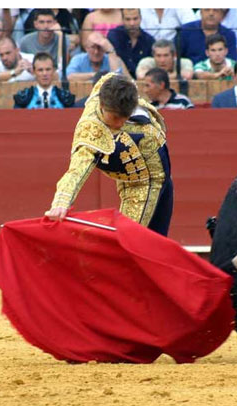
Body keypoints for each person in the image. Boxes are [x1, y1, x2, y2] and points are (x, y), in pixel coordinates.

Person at [45, 72, 173, 237]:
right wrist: (61, 202)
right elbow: (77, 169)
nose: (119, 124)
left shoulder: (112, 85)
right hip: (139, 185)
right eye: (114, 117)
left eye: (124, 117)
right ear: (103, 106)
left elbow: (114, 76)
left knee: (157, 243)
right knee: (128, 243)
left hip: (163, 178)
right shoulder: (93, 130)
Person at [107, 9, 155, 79]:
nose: (132, 23)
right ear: (122, 20)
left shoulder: (149, 41)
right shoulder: (114, 36)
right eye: (128, 19)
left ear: (140, 18)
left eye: (135, 19)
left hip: (142, 82)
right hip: (117, 82)